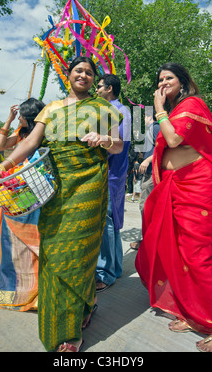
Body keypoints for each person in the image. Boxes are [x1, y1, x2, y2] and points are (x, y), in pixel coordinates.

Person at [0, 56, 124, 352]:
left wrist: (104, 139)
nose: (83, 75)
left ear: (95, 79)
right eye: (78, 70)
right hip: (57, 189)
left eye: (89, 72)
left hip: (90, 186)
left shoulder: (103, 109)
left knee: (81, 254)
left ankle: (71, 333)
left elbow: (119, 146)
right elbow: (29, 144)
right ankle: (84, 307)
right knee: (56, 254)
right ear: (68, 75)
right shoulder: (52, 108)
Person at [135, 63, 212, 353]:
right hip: (177, 188)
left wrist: (159, 109)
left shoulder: (192, 105)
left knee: (200, 258)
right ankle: (197, 315)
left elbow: (173, 140)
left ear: (182, 83)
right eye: (159, 79)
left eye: (169, 78)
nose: (163, 82)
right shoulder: (177, 111)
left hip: (199, 189)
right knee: (180, 254)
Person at [0, 98, 45, 311]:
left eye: (20, 114)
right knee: (12, 241)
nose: (18, 116)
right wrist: (10, 120)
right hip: (14, 191)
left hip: (33, 191)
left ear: (29, 116)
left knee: (33, 241)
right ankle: (13, 291)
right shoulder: (21, 133)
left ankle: (36, 291)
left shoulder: (41, 135)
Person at [94, 74, 131, 292]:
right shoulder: (117, 111)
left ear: (109, 89)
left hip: (110, 173)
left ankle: (105, 273)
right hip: (113, 173)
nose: (96, 90)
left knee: (106, 221)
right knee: (111, 221)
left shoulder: (116, 112)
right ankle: (114, 268)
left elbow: (118, 145)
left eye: (98, 87)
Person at [130, 111, 160, 250]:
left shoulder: (155, 128)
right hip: (149, 173)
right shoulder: (151, 130)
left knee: (146, 207)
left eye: (144, 117)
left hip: (153, 174)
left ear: (149, 116)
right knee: (148, 208)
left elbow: (162, 148)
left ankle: (147, 241)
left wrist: (147, 160)